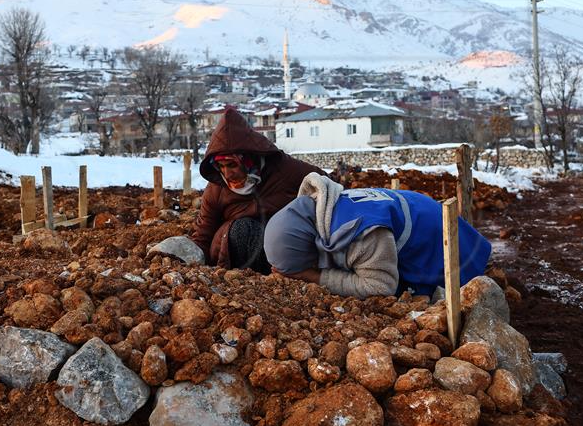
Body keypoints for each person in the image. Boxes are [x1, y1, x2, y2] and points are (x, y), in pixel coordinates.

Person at [263, 173, 491, 298]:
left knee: (453, 299)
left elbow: (380, 287)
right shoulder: (324, 206)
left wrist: (313, 276)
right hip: (424, 215)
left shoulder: (360, 233)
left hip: (448, 247)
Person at [190, 107, 326, 274]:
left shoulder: (284, 170)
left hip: (282, 247)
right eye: (221, 166)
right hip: (233, 256)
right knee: (244, 229)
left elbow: (325, 184)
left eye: (232, 165)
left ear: (249, 160)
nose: (227, 173)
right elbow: (203, 234)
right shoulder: (216, 189)